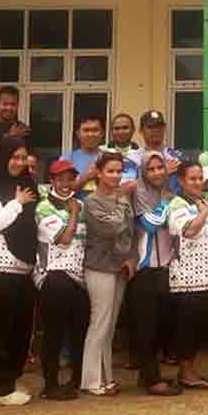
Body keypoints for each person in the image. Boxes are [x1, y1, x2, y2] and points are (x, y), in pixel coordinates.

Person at [0, 136, 39, 406]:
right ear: (2, 157)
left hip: (23, 271)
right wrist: (17, 203)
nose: (18, 162)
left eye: (23, 158)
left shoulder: (28, 186)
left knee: (19, 332)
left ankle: (10, 380)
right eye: (14, 157)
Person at [80, 153, 136, 396]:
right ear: (99, 173)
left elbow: (129, 231)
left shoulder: (122, 199)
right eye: (110, 171)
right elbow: (111, 227)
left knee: (110, 325)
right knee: (99, 322)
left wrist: (130, 257)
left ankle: (107, 377)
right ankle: (91, 380)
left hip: (119, 267)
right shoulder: (91, 201)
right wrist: (122, 202)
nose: (115, 175)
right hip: (98, 266)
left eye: (119, 171)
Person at [34, 159, 89, 401]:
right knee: (53, 334)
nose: (66, 184)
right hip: (54, 276)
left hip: (78, 277)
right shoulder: (44, 207)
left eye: (70, 179)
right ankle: (50, 385)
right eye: (60, 179)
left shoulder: (81, 204)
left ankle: (75, 381)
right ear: (52, 181)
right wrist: (74, 213)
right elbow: (65, 239)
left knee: (79, 332)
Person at [129, 151, 181, 396]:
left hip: (165, 266)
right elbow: (150, 224)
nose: (157, 172)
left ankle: (149, 375)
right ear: (143, 172)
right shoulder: (138, 192)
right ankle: (151, 379)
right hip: (144, 268)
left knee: (162, 323)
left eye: (160, 167)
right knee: (147, 325)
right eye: (151, 169)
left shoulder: (169, 190)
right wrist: (165, 203)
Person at [166, 161, 208, 388]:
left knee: (201, 326)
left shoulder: (204, 201)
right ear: (181, 181)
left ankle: (191, 370)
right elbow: (188, 231)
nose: (197, 182)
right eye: (192, 178)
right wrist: (204, 213)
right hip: (186, 278)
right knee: (187, 327)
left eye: (200, 178)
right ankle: (185, 373)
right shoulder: (177, 204)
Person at [125, 110, 184, 192]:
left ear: (164, 128)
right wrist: (161, 173)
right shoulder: (132, 159)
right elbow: (126, 188)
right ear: (141, 130)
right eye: (150, 127)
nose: (156, 130)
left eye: (159, 126)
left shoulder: (177, 156)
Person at [69, 115, 105, 199]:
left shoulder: (110, 158)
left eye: (95, 130)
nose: (90, 134)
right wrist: (86, 177)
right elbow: (62, 191)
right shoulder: (67, 159)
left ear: (102, 133)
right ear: (78, 134)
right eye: (86, 130)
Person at [101, 112, 140, 182]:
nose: (121, 132)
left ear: (133, 129)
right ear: (111, 131)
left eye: (125, 128)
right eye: (116, 128)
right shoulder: (101, 152)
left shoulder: (141, 154)